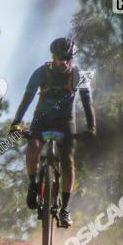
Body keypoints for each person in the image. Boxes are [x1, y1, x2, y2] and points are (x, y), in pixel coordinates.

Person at [10, 37, 95, 228]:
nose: (63, 61)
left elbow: (87, 102)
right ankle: (33, 186)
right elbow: (27, 98)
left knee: (68, 160)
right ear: (53, 57)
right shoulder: (41, 72)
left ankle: (64, 209)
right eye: (59, 57)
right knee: (33, 146)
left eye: (67, 58)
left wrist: (91, 128)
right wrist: (16, 123)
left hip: (66, 121)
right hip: (42, 119)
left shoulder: (79, 74)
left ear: (72, 58)